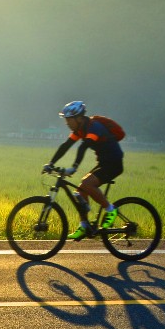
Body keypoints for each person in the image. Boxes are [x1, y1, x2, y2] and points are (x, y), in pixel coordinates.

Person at [44, 100, 124, 240]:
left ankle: (111, 210)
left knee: (87, 183)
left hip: (114, 163)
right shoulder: (80, 129)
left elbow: (84, 146)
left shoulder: (95, 127)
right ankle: (84, 225)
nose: (67, 123)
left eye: (69, 119)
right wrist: (50, 163)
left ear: (79, 118)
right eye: (66, 120)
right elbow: (66, 145)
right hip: (104, 162)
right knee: (80, 192)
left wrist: (73, 168)